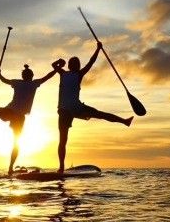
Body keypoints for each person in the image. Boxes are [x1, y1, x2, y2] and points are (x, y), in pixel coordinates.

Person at [52, 42, 133, 173]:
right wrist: (97, 49)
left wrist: (98, 49)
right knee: (64, 139)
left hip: (70, 108)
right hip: (68, 109)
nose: (77, 66)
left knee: (64, 139)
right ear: (73, 66)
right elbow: (89, 62)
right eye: (76, 64)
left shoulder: (68, 73)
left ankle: (124, 121)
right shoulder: (68, 73)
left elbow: (90, 62)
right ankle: (61, 167)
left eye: (77, 64)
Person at [0, 64, 57, 175]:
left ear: (23, 76)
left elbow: (4, 80)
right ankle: (10, 168)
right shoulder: (33, 83)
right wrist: (56, 69)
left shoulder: (19, 83)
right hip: (19, 117)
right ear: (31, 76)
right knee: (16, 142)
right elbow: (47, 77)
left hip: (10, 113)